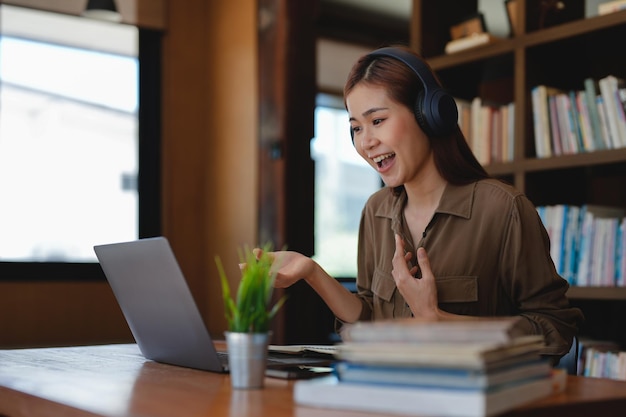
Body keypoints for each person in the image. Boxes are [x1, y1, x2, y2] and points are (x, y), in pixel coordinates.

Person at [259, 45, 583, 363]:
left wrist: (438, 320)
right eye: (356, 128)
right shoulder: (376, 212)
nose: (366, 142)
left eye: (378, 121)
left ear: (428, 115)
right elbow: (368, 319)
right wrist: (312, 273)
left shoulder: (502, 210)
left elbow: (554, 328)